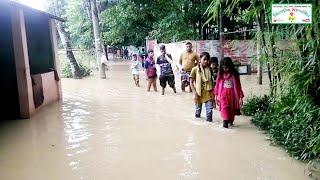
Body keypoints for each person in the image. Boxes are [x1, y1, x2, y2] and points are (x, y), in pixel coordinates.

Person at [214, 57, 244, 128]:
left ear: (230, 66)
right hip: (223, 95)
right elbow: (217, 85)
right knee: (225, 113)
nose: (225, 69)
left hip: (233, 96)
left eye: (226, 68)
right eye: (223, 67)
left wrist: (241, 98)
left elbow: (238, 86)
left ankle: (230, 126)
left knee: (231, 114)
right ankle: (225, 127)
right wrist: (215, 96)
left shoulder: (235, 74)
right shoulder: (220, 74)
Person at [190, 52, 213, 122]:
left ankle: (209, 125)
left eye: (208, 60)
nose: (206, 61)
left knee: (209, 111)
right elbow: (191, 82)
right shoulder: (194, 69)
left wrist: (213, 93)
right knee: (198, 111)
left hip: (208, 93)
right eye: (204, 59)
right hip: (198, 93)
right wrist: (194, 92)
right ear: (200, 59)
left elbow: (212, 81)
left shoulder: (210, 69)